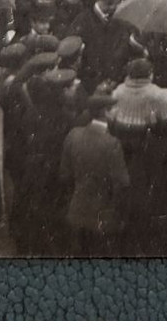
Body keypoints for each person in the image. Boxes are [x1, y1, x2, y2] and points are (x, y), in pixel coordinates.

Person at [59, 92, 129, 254]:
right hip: (103, 215)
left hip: (77, 209)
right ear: (106, 111)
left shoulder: (73, 134)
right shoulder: (112, 143)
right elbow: (122, 182)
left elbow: (64, 174)